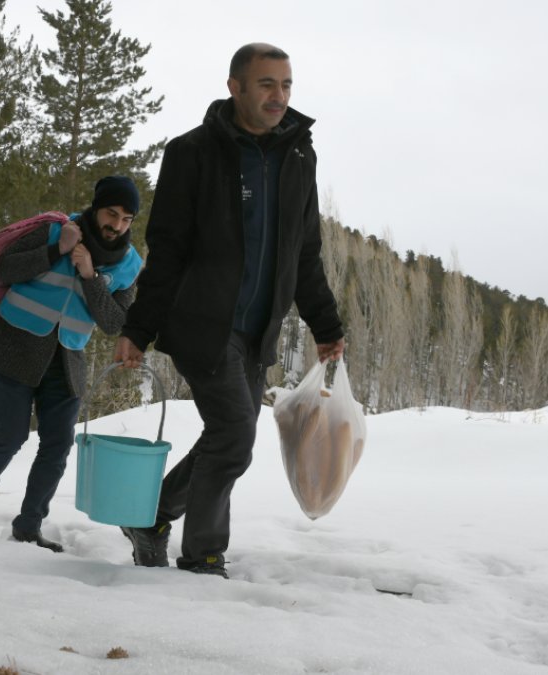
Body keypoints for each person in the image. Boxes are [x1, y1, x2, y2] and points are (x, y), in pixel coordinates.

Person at [113, 43, 346, 578]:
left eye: (286, 85)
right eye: (266, 84)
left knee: (228, 435)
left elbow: (303, 251)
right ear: (235, 86)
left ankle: (149, 517)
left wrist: (325, 324)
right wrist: (138, 328)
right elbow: (167, 249)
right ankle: (203, 556)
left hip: (259, 325)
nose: (279, 96)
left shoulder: (299, 156)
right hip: (202, 322)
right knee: (236, 434)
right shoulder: (192, 152)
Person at [0, 176, 143, 552]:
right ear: (96, 209)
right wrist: (55, 250)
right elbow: (5, 270)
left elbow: (114, 322)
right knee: (10, 435)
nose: (117, 225)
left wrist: (90, 275)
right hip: (15, 342)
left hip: (67, 357)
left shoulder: (128, 265)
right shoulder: (52, 231)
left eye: (127, 219)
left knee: (58, 444)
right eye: (112, 214)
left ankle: (29, 525)